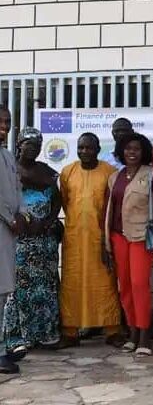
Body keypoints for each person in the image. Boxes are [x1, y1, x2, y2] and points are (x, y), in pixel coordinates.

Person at [105, 133, 153, 357]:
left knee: (140, 284)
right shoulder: (115, 177)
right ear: (121, 151)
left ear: (144, 152)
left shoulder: (152, 174)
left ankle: (144, 336)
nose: (132, 152)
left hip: (142, 236)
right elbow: (110, 209)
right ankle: (132, 332)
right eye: (128, 148)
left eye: (137, 149)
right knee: (125, 287)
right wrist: (107, 242)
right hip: (117, 236)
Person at [59, 133, 122, 348]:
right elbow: (66, 202)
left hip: (100, 238)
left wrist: (106, 239)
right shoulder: (68, 172)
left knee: (105, 283)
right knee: (72, 284)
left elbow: (113, 207)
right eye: (81, 148)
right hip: (74, 238)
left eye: (89, 148)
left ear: (97, 149)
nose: (84, 151)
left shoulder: (110, 173)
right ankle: (70, 332)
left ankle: (112, 330)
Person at [4, 128, 62, 354]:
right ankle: (17, 338)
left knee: (45, 287)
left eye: (37, 145)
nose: (33, 149)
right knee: (17, 289)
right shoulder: (9, 170)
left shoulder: (47, 172)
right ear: (19, 144)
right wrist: (18, 220)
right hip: (18, 239)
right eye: (29, 144)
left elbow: (57, 202)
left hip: (44, 241)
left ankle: (45, 334)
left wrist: (47, 222)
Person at [0, 106, 26, 374]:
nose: (4, 126)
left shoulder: (7, 155)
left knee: (3, 290)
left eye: (7, 122)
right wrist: (11, 218)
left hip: (8, 231)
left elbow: (16, 190)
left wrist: (22, 214)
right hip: (3, 226)